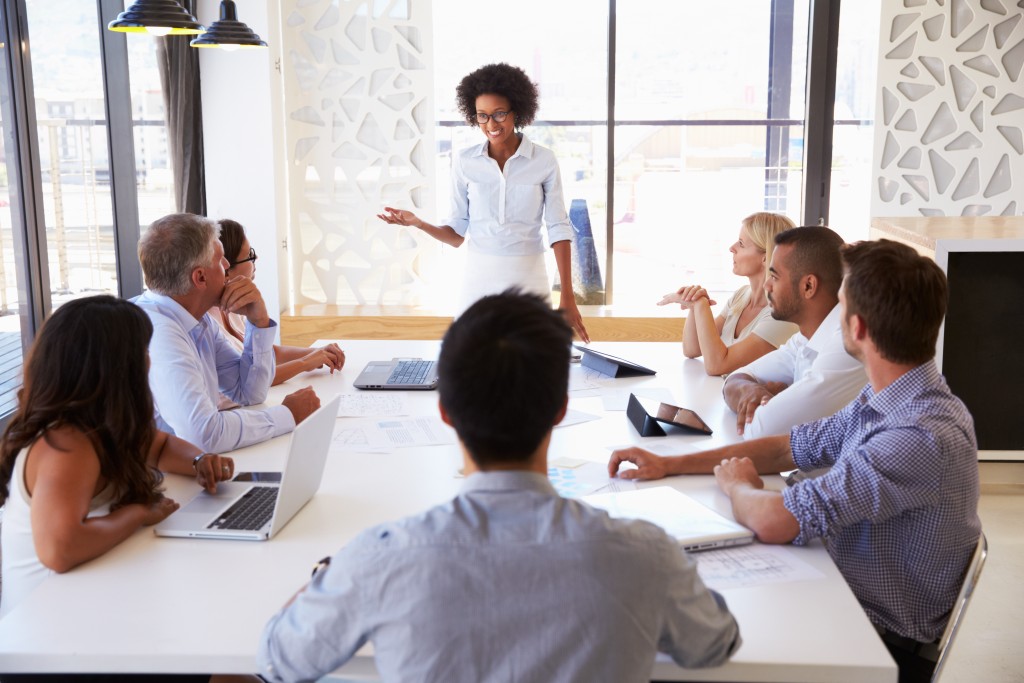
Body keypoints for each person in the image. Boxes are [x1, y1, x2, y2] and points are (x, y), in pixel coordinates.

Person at [257, 290, 739, 682]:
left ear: (444, 411)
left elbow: (279, 659)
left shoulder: (379, 560)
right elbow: (715, 643)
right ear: (559, 410)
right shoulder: (645, 555)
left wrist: (332, 577)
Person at [609, 240, 981, 683]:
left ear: (857, 328)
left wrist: (738, 487)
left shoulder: (916, 435)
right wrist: (671, 463)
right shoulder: (893, 396)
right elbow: (788, 447)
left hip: (875, 634)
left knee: (673, 642)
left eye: (840, 306)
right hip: (843, 589)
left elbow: (776, 520)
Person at [0, 296, 257, 683]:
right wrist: (138, 514)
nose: (150, 361)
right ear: (116, 366)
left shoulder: (101, 424)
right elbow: (60, 550)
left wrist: (197, 460)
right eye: (143, 350)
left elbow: (160, 446)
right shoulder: (66, 444)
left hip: (87, 616)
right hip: (54, 651)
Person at [377, 63, 590, 342]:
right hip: (479, 275)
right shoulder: (465, 161)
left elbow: (558, 228)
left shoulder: (544, 160)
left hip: (529, 273)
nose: (491, 124)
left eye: (499, 114)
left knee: (529, 358)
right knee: (471, 356)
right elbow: (455, 236)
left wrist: (568, 295)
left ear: (517, 111)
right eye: (482, 116)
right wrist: (418, 223)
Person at [134, 213, 321, 453]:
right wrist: (287, 414)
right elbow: (203, 435)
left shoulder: (196, 320)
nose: (227, 269)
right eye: (221, 260)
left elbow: (249, 392)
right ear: (200, 277)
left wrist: (259, 321)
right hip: (157, 482)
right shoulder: (159, 332)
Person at [721, 225, 867, 438]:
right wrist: (750, 392)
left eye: (775, 277)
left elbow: (759, 431)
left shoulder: (845, 344)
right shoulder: (804, 338)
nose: (767, 286)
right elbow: (734, 379)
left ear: (808, 286)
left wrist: (769, 405)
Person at [658, 212, 798, 375]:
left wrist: (701, 304)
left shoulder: (782, 317)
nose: (731, 248)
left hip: (755, 400)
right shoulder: (741, 296)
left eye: (741, 244)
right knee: (667, 401)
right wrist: (694, 302)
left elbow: (717, 365)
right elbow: (692, 349)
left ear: (766, 258)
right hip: (722, 394)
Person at [211, 218, 345, 386]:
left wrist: (317, 352)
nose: (256, 258)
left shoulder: (232, 308)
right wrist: (305, 363)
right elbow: (249, 380)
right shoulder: (207, 322)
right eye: (250, 255)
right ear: (226, 269)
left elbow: (267, 354)